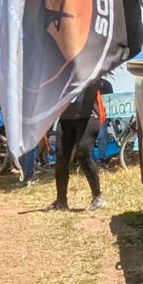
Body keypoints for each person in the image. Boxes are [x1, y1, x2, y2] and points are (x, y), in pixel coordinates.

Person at [48, 80, 106, 212]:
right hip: (66, 117)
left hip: (88, 116)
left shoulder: (90, 69)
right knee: (61, 156)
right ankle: (61, 201)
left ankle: (97, 196)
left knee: (83, 154)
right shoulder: (61, 72)